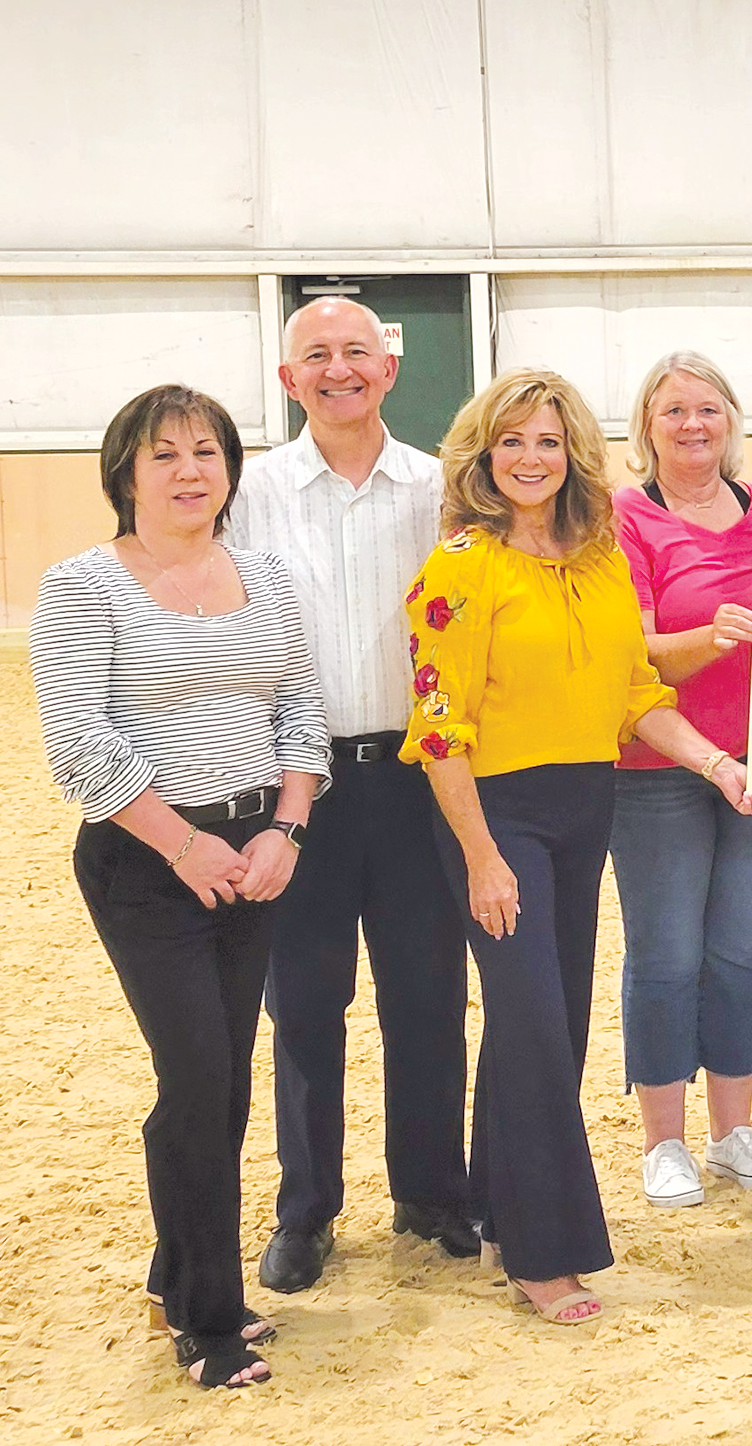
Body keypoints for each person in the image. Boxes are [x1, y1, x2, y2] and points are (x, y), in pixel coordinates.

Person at [404, 369, 752, 1325]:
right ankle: (545, 1254)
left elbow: (636, 696)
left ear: (574, 454)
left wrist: (716, 766)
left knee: (550, 1026)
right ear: (483, 455)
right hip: (497, 816)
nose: (531, 459)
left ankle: (499, 1210)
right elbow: (439, 727)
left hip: (585, 810)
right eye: (512, 442)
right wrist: (481, 855)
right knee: (533, 1023)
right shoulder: (461, 565)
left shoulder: (602, 555)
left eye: (549, 441)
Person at [32, 384, 330, 1388]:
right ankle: (208, 1321)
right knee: (197, 1080)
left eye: (207, 452)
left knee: (226, 1082)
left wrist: (286, 827)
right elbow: (79, 742)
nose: (189, 471)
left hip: (256, 856)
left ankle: (176, 1275)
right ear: (125, 472)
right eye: (163, 454)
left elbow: (300, 710)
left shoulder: (266, 578)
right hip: (146, 863)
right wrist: (183, 845)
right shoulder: (82, 586)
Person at [225, 298, 475, 1296]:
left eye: (356, 352)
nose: (339, 370)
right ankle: (307, 1210)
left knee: (428, 998)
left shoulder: (445, 488)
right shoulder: (247, 495)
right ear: (289, 380)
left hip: (417, 784)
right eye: (317, 356)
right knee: (304, 1007)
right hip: (298, 792)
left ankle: (432, 1193)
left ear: (389, 368)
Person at [609, 352, 752, 1210]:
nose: (693, 425)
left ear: (731, 420)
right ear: (646, 428)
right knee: (665, 952)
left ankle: (733, 1130)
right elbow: (634, 653)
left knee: (742, 948)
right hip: (657, 770)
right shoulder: (627, 517)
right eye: (674, 411)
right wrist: (709, 639)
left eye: (708, 409)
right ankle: (664, 1141)